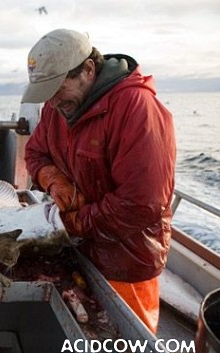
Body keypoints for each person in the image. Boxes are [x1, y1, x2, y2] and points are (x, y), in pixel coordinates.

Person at [22, 29, 176, 333]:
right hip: (81, 250)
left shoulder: (136, 108)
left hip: (126, 259)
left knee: (131, 348)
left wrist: (74, 223)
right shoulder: (59, 108)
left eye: (56, 87)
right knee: (86, 334)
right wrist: (54, 181)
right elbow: (35, 152)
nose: (51, 102)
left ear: (88, 70)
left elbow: (141, 204)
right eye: (45, 92)